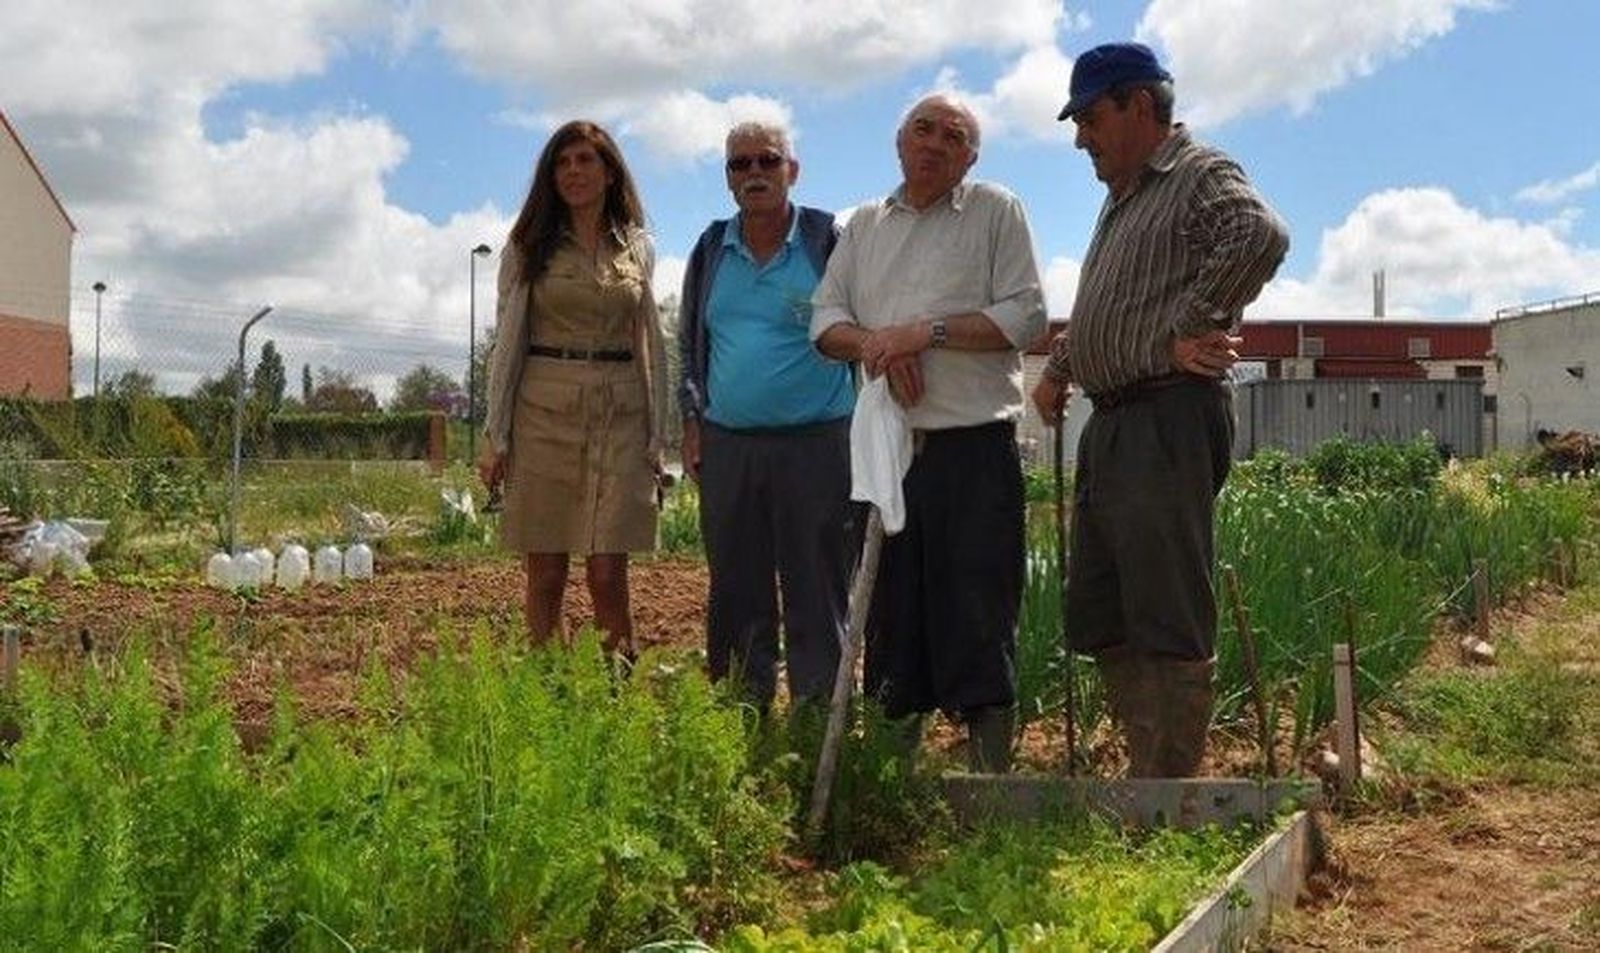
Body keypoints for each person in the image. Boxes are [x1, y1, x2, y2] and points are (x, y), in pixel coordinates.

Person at [1030, 42, 1289, 777]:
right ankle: (1147, 766)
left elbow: (1259, 234)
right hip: (1116, 419)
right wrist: (1060, 369)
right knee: (1105, 603)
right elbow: (1110, 307)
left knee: (1164, 604)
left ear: (1139, 105)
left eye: (1090, 119)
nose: (1081, 138)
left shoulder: (1195, 172)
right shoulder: (1125, 199)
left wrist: (1192, 323)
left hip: (1166, 415)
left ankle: (1166, 788)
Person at [812, 94, 1047, 772]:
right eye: (923, 129)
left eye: (954, 135)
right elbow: (825, 321)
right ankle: (895, 781)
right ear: (899, 140)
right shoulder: (864, 226)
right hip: (890, 453)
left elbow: (1026, 315)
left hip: (974, 452)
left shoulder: (995, 211)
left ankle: (988, 788)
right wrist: (879, 345)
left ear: (970, 157)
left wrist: (927, 332)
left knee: (980, 613)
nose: (936, 143)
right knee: (891, 620)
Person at [678, 121, 855, 713]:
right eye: (740, 164)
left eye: (767, 160)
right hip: (730, 444)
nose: (754, 172)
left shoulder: (826, 241)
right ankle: (741, 711)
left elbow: (861, 323)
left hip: (817, 444)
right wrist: (693, 423)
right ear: (728, 178)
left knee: (817, 583)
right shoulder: (711, 250)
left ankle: (817, 714)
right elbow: (690, 347)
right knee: (735, 585)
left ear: (791, 171)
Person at [480, 120, 668, 654]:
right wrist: (496, 434)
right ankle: (551, 687)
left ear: (610, 172)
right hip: (543, 411)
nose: (573, 171)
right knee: (546, 572)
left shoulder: (637, 248)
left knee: (608, 572)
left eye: (586, 160)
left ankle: (618, 687)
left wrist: (657, 435)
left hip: (620, 414)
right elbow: (508, 341)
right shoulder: (528, 246)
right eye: (562, 163)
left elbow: (648, 343)